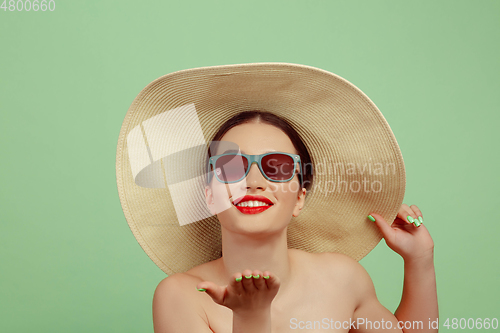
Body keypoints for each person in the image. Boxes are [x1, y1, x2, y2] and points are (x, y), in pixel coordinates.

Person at [115, 63, 438, 333]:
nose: (254, 182)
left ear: (300, 197)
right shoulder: (182, 295)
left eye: (278, 167)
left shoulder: (343, 277)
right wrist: (251, 317)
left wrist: (419, 261)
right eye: (231, 167)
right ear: (209, 197)